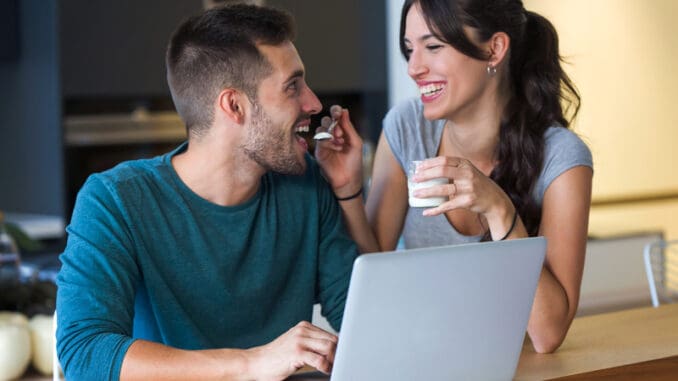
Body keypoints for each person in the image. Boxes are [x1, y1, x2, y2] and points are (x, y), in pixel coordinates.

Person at [56, 4, 358, 380]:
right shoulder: (115, 199)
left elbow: (369, 322)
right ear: (234, 105)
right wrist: (252, 363)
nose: (313, 103)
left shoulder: (306, 183)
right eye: (292, 86)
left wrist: (348, 190)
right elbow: (85, 354)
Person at [316, 0, 593, 354]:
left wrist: (499, 210)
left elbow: (548, 334)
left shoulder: (562, 158)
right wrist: (347, 188)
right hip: (426, 358)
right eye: (409, 49)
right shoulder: (407, 128)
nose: (414, 68)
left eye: (433, 46)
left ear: (494, 49)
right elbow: (373, 272)